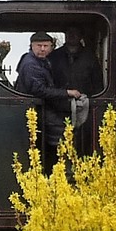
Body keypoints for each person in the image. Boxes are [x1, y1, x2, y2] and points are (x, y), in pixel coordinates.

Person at [15, 31, 82, 171]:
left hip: (39, 108)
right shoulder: (30, 64)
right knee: (61, 130)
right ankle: (57, 167)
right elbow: (39, 90)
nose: (43, 49)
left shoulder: (41, 61)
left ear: (52, 47)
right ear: (31, 46)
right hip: (34, 110)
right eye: (39, 45)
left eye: (46, 46)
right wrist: (67, 93)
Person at [50, 28, 104, 155]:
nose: (72, 36)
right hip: (58, 106)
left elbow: (97, 82)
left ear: (80, 36)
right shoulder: (54, 56)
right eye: (69, 34)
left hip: (84, 107)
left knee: (83, 141)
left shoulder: (90, 57)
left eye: (75, 33)